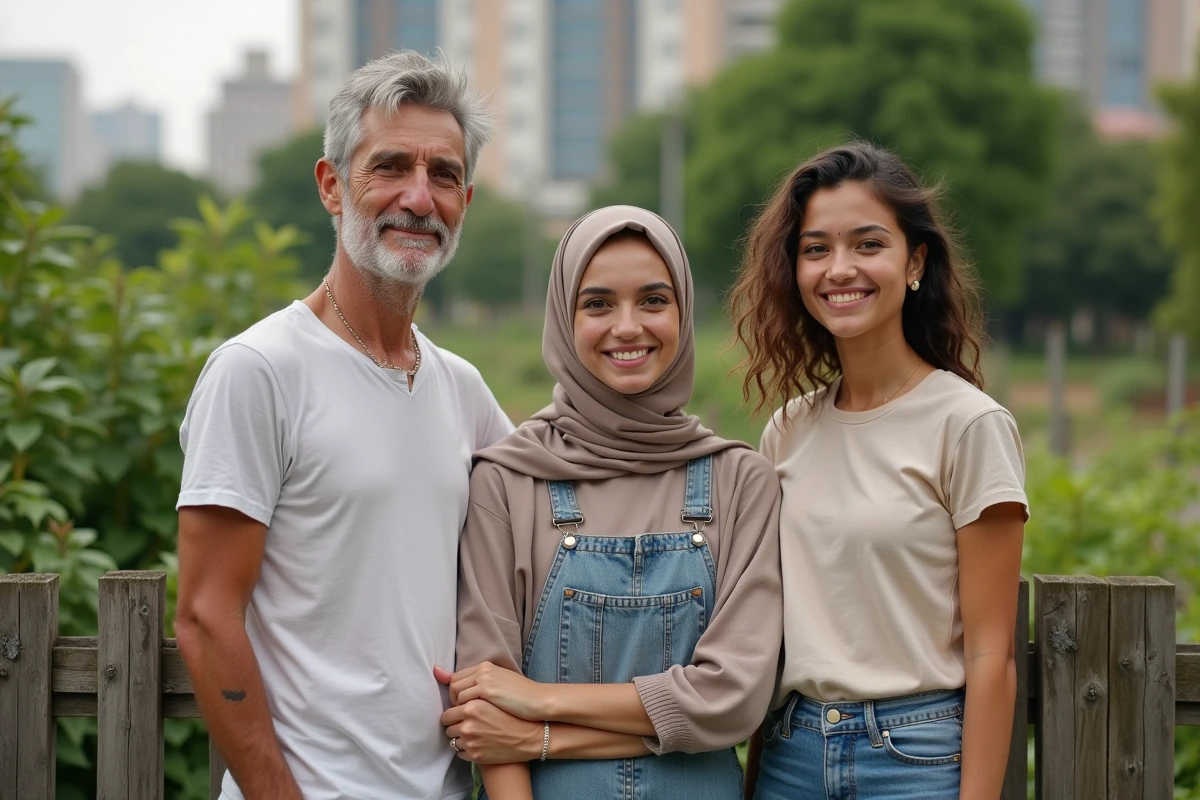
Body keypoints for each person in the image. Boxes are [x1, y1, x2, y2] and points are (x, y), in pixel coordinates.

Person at [173, 51, 513, 800]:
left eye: (445, 175)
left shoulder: (464, 390)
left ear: (465, 200)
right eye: (389, 166)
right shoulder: (259, 370)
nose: (419, 199)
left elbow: (549, 530)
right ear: (333, 186)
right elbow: (204, 617)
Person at [435, 206, 783, 799]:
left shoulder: (741, 481)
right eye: (597, 304)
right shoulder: (506, 482)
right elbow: (486, 703)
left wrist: (540, 713)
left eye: (653, 300)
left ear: (684, 313)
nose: (628, 327)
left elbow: (733, 700)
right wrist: (518, 729)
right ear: (563, 321)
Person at [730, 141, 1028, 800]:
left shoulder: (970, 425)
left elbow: (991, 655)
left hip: (915, 758)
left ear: (914, 261)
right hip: (790, 753)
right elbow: (774, 634)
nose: (840, 269)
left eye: (868, 245)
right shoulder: (787, 430)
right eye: (816, 249)